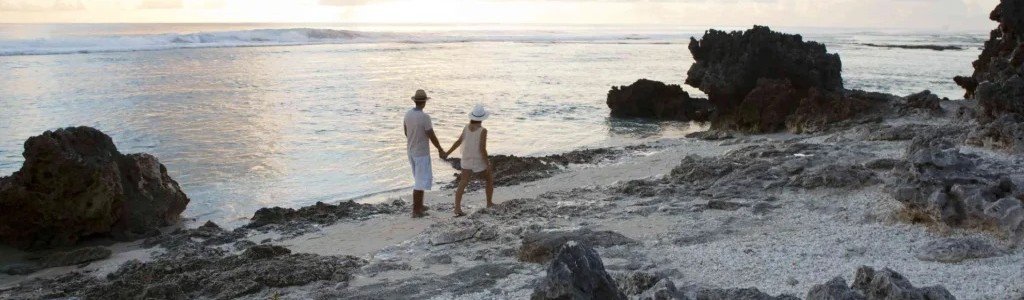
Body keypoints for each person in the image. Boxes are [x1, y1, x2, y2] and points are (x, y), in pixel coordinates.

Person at [444, 104, 494, 217]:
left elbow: (458, 142)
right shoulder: (483, 130)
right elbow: (482, 149)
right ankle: (489, 203)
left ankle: (457, 208)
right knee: (489, 178)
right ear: (482, 118)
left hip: (466, 159)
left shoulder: (466, 127)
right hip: (477, 160)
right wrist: (487, 163)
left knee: (463, 183)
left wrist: (447, 153)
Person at [404, 89, 447, 218]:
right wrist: (440, 148)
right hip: (421, 152)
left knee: (419, 179)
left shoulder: (408, 114)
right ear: (424, 103)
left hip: (411, 150)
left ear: (415, 101)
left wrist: (413, 139)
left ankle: (420, 205)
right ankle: (416, 210)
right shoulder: (425, 117)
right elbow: (431, 135)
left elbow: (405, 131)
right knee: (419, 181)